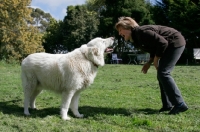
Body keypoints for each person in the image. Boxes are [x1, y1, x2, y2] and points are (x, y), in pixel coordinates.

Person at [115, 17, 188, 114]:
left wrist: (156, 59)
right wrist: (149, 62)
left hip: (175, 42)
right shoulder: (137, 37)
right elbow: (154, 47)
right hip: (169, 45)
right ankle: (167, 105)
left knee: (163, 73)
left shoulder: (142, 32)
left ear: (128, 28)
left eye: (120, 30)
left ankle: (180, 104)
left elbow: (163, 43)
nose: (120, 33)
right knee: (161, 74)